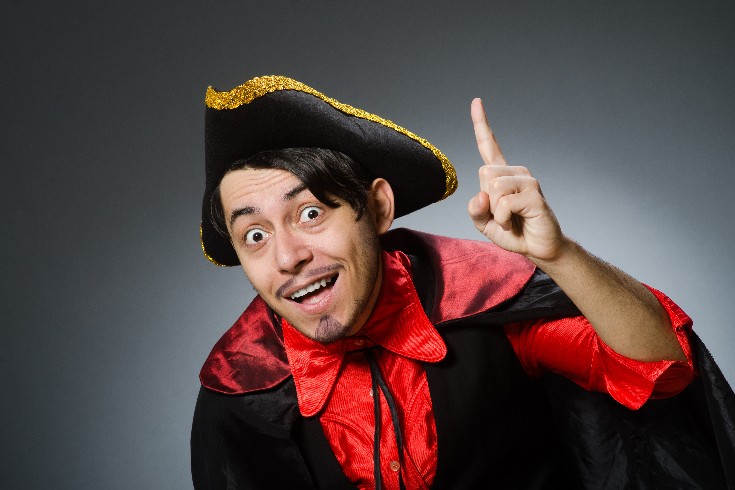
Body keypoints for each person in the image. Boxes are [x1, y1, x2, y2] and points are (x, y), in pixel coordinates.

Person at [191, 75, 735, 489]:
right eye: (255, 236)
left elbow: (662, 370)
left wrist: (561, 257)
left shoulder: (484, 301)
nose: (287, 257)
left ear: (377, 209)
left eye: (310, 213)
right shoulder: (237, 391)